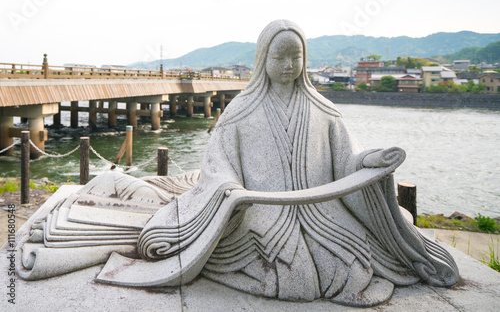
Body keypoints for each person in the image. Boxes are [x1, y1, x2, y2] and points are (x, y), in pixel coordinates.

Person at [17, 20, 458, 307]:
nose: (288, 66)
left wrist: (372, 159)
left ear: (305, 60)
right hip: (258, 211)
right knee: (298, 277)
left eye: (296, 57)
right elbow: (218, 166)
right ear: (262, 60)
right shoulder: (240, 111)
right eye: (279, 57)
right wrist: (228, 190)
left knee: (356, 263)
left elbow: (347, 161)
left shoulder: (325, 110)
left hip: (321, 212)